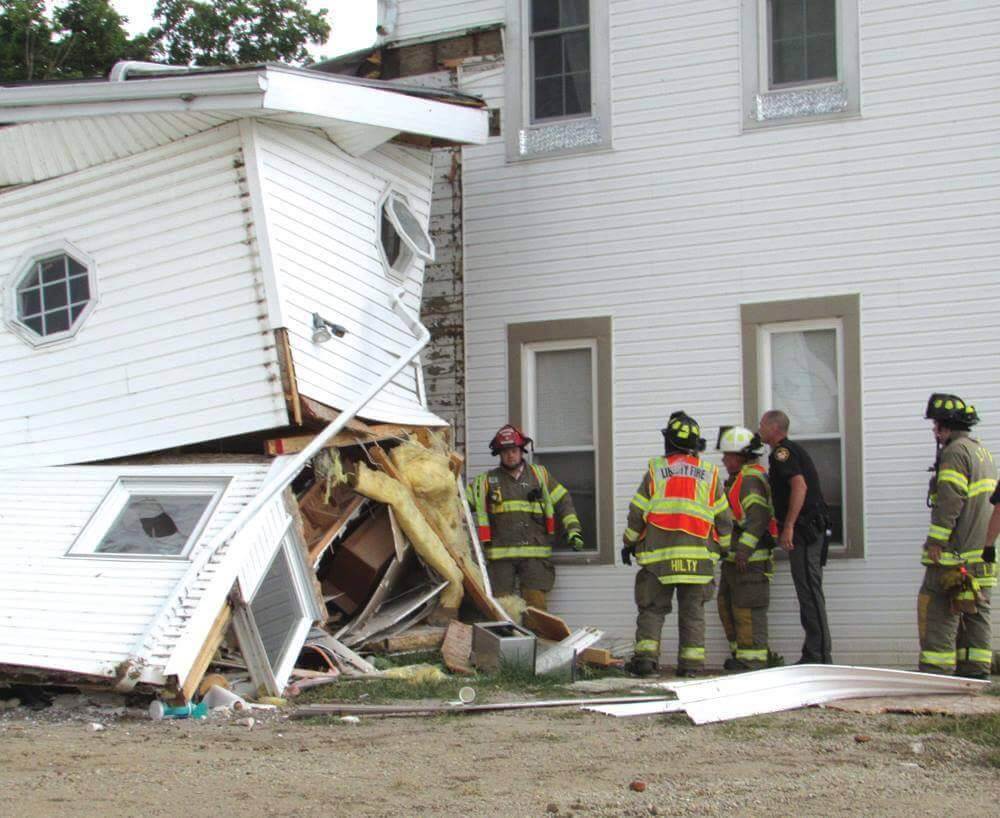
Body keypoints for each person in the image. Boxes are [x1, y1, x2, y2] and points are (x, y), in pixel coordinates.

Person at [621, 411, 732, 677]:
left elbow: (637, 512)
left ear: (668, 441)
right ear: (695, 444)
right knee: (693, 614)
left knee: (652, 609)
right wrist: (726, 549)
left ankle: (646, 663)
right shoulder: (710, 473)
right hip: (698, 560)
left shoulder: (656, 470)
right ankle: (691, 667)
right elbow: (724, 518)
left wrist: (629, 542)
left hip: (658, 559)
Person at [919, 394, 997, 678]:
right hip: (982, 552)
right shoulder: (982, 452)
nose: (934, 431)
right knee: (975, 612)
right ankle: (975, 672)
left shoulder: (954, 453)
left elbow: (950, 500)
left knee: (939, 609)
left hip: (955, 555)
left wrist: (936, 541)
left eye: (936, 425)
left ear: (945, 427)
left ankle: (935, 673)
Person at [468, 424, 583, 611]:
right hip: (500, 558)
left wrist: (573, 531)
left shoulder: (540, 476)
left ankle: (537, 640)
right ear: (499, 453)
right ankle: (508, 641)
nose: (510, 455)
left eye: (513, 450)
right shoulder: (486, 482)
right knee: (501, 609)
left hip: (535, 557)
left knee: (536, 608)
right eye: (505, 451)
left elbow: (563, 501)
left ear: (521, 451)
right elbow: (462, 504)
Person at [758, 409, 832, 664]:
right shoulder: (783, 453)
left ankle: (819, 656)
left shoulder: (783, 452)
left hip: (805, 531)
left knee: (809, 592)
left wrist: (788, 526)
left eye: (762, 425)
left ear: (774, 427)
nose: (760, 429)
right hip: (806, 529)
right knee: (807, 592)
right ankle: (813, 652)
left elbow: (799, 486)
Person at [716, 426, 776, 671]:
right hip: (734, 561)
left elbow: (758, 517)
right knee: (727, 606)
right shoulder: (738, 480)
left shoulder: (750, 479)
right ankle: (741, 657)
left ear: (741, 456)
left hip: (749, 562)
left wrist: (743, 550)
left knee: (747, 611)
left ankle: (753, 662)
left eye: (728, 455)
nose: (723, 459)